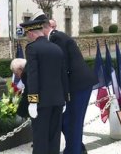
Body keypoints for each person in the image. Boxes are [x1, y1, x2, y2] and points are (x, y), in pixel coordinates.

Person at [34, 13, 97, 154]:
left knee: (73, 122)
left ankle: (74, 151)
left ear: (43, 29)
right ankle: (76, 148)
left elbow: (61, 67)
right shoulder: (55, 38)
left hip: (78, 86)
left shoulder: (57, 38)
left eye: (36, 32)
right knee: (66, 121)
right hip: (75, 85)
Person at [20, 19, 69, 154]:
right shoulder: (56, 48)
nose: (27, 37)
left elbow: (33, 76)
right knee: (54, 137)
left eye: (27, 34)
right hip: (58, 101)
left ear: (31, 33)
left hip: (41, 103)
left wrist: (33, 101)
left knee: (40, 138)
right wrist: (65, 97)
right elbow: (63, 75)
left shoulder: (32, 48)